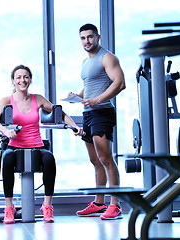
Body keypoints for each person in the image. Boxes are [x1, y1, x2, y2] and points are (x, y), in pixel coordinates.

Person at [0, 64, 85, 224]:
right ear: (13, 81)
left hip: (37, 144)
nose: (23, 80)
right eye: (19, 77)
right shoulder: (6, 100)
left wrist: (74, 127)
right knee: (7, 160)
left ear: (30, 80)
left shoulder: (38, 98)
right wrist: (6, 131)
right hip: (14, 145)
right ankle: (9, 208)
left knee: (49, 159)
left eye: (26, 77)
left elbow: (60, 113)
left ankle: (47, 206)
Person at [72, 23, 126, 220]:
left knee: (106, 159)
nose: (87, 41)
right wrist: (77, 96)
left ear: (98, 37)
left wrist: (98, 100)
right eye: (83, 38)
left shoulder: (107, 57)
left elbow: (120, 82)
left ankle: (116, 204)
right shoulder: (86, 62)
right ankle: (98, 203)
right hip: (88, 113)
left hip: (102, 112)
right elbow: (91, 86)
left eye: (90, 37)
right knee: (95, 160)